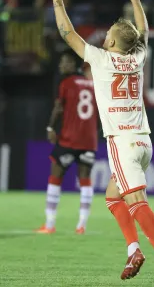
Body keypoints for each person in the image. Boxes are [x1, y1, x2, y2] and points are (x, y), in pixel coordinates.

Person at [47, 0, 154, 285]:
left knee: (136, 201)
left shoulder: (101, 59)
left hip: (122, 142)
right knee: (112, 196)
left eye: (107, 33)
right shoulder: (137, 57)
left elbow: (68, 34)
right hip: (144, 143)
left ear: (110, 41)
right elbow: (143, 31)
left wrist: (57, 1)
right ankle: (134, 250)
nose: (103, 36)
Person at [35, 50, 98, 235]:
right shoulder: (94, 85)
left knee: (55, 177)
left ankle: (49, 224)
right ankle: (82, 226)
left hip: (69, 140)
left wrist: (50, 128)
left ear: (74, 65)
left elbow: (58, 108)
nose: (62, 65)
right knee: (85, 180)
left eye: (66, 62)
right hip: (89, 141)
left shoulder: (66, 83)